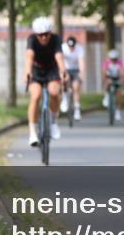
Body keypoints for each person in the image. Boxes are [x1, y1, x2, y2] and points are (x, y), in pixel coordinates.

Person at [25, 16, 68, 146]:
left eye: (46, 34)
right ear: (36, 34)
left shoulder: (56, 39)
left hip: (52, 69)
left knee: (54, 92)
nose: (43, 37)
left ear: (50, 33)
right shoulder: (32, 39)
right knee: (36, 96)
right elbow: (29, 56)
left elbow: (59, 56)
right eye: (40, 35)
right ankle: (32, 131)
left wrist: (63, 70)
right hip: (37, 70)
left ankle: (53, 121)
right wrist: (27, 71)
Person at [61, 35, 85, 121]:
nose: (71, 48)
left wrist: (81, 73)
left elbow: (81, 62)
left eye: (73, 47)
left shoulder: (79, 49)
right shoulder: (63, 48)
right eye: (70, 46)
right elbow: (61, 60)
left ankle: (77, 109)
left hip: (75, 70)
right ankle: (64, 98)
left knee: (76, 87)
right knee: (63, 81)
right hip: (66, 68)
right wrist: (63, 72)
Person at [102, 49, 124, 122]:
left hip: (117, 78)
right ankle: (106, 96)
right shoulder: (107, 63)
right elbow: (104, 72)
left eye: (115, 59)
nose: (113, 61)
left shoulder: (120, 63)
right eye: (112, 59)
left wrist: (121, 80)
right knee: (108, 83)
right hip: (109, 77)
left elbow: (122, 72)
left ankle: (118, 112)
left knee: (119, 94)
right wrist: (105, 80)